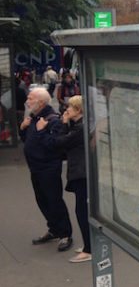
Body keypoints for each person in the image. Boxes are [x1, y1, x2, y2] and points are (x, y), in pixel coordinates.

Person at [19, 88, 73, 252]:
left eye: (30, 98)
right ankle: (54, 229)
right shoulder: (34, 118)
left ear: (40, 102)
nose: (27, 101)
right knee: (42, 201)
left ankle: (65, 233)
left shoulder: (53, 120)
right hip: (35, 168)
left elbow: (54, 145)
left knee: (54, 200)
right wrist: (23, 128)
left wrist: (41, 130)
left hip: (49, 167)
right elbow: (28, 140)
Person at [57, 95, 91, 263]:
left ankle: (89, 249)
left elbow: (61, 142)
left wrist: (63, 123)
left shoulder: (79, 128)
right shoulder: (81, 125)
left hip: (81, 173)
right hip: (83, 172)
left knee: (82, 211)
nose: (66, 110)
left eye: (70, 107)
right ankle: (89, 244)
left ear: (78, 110)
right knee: (84, 210)